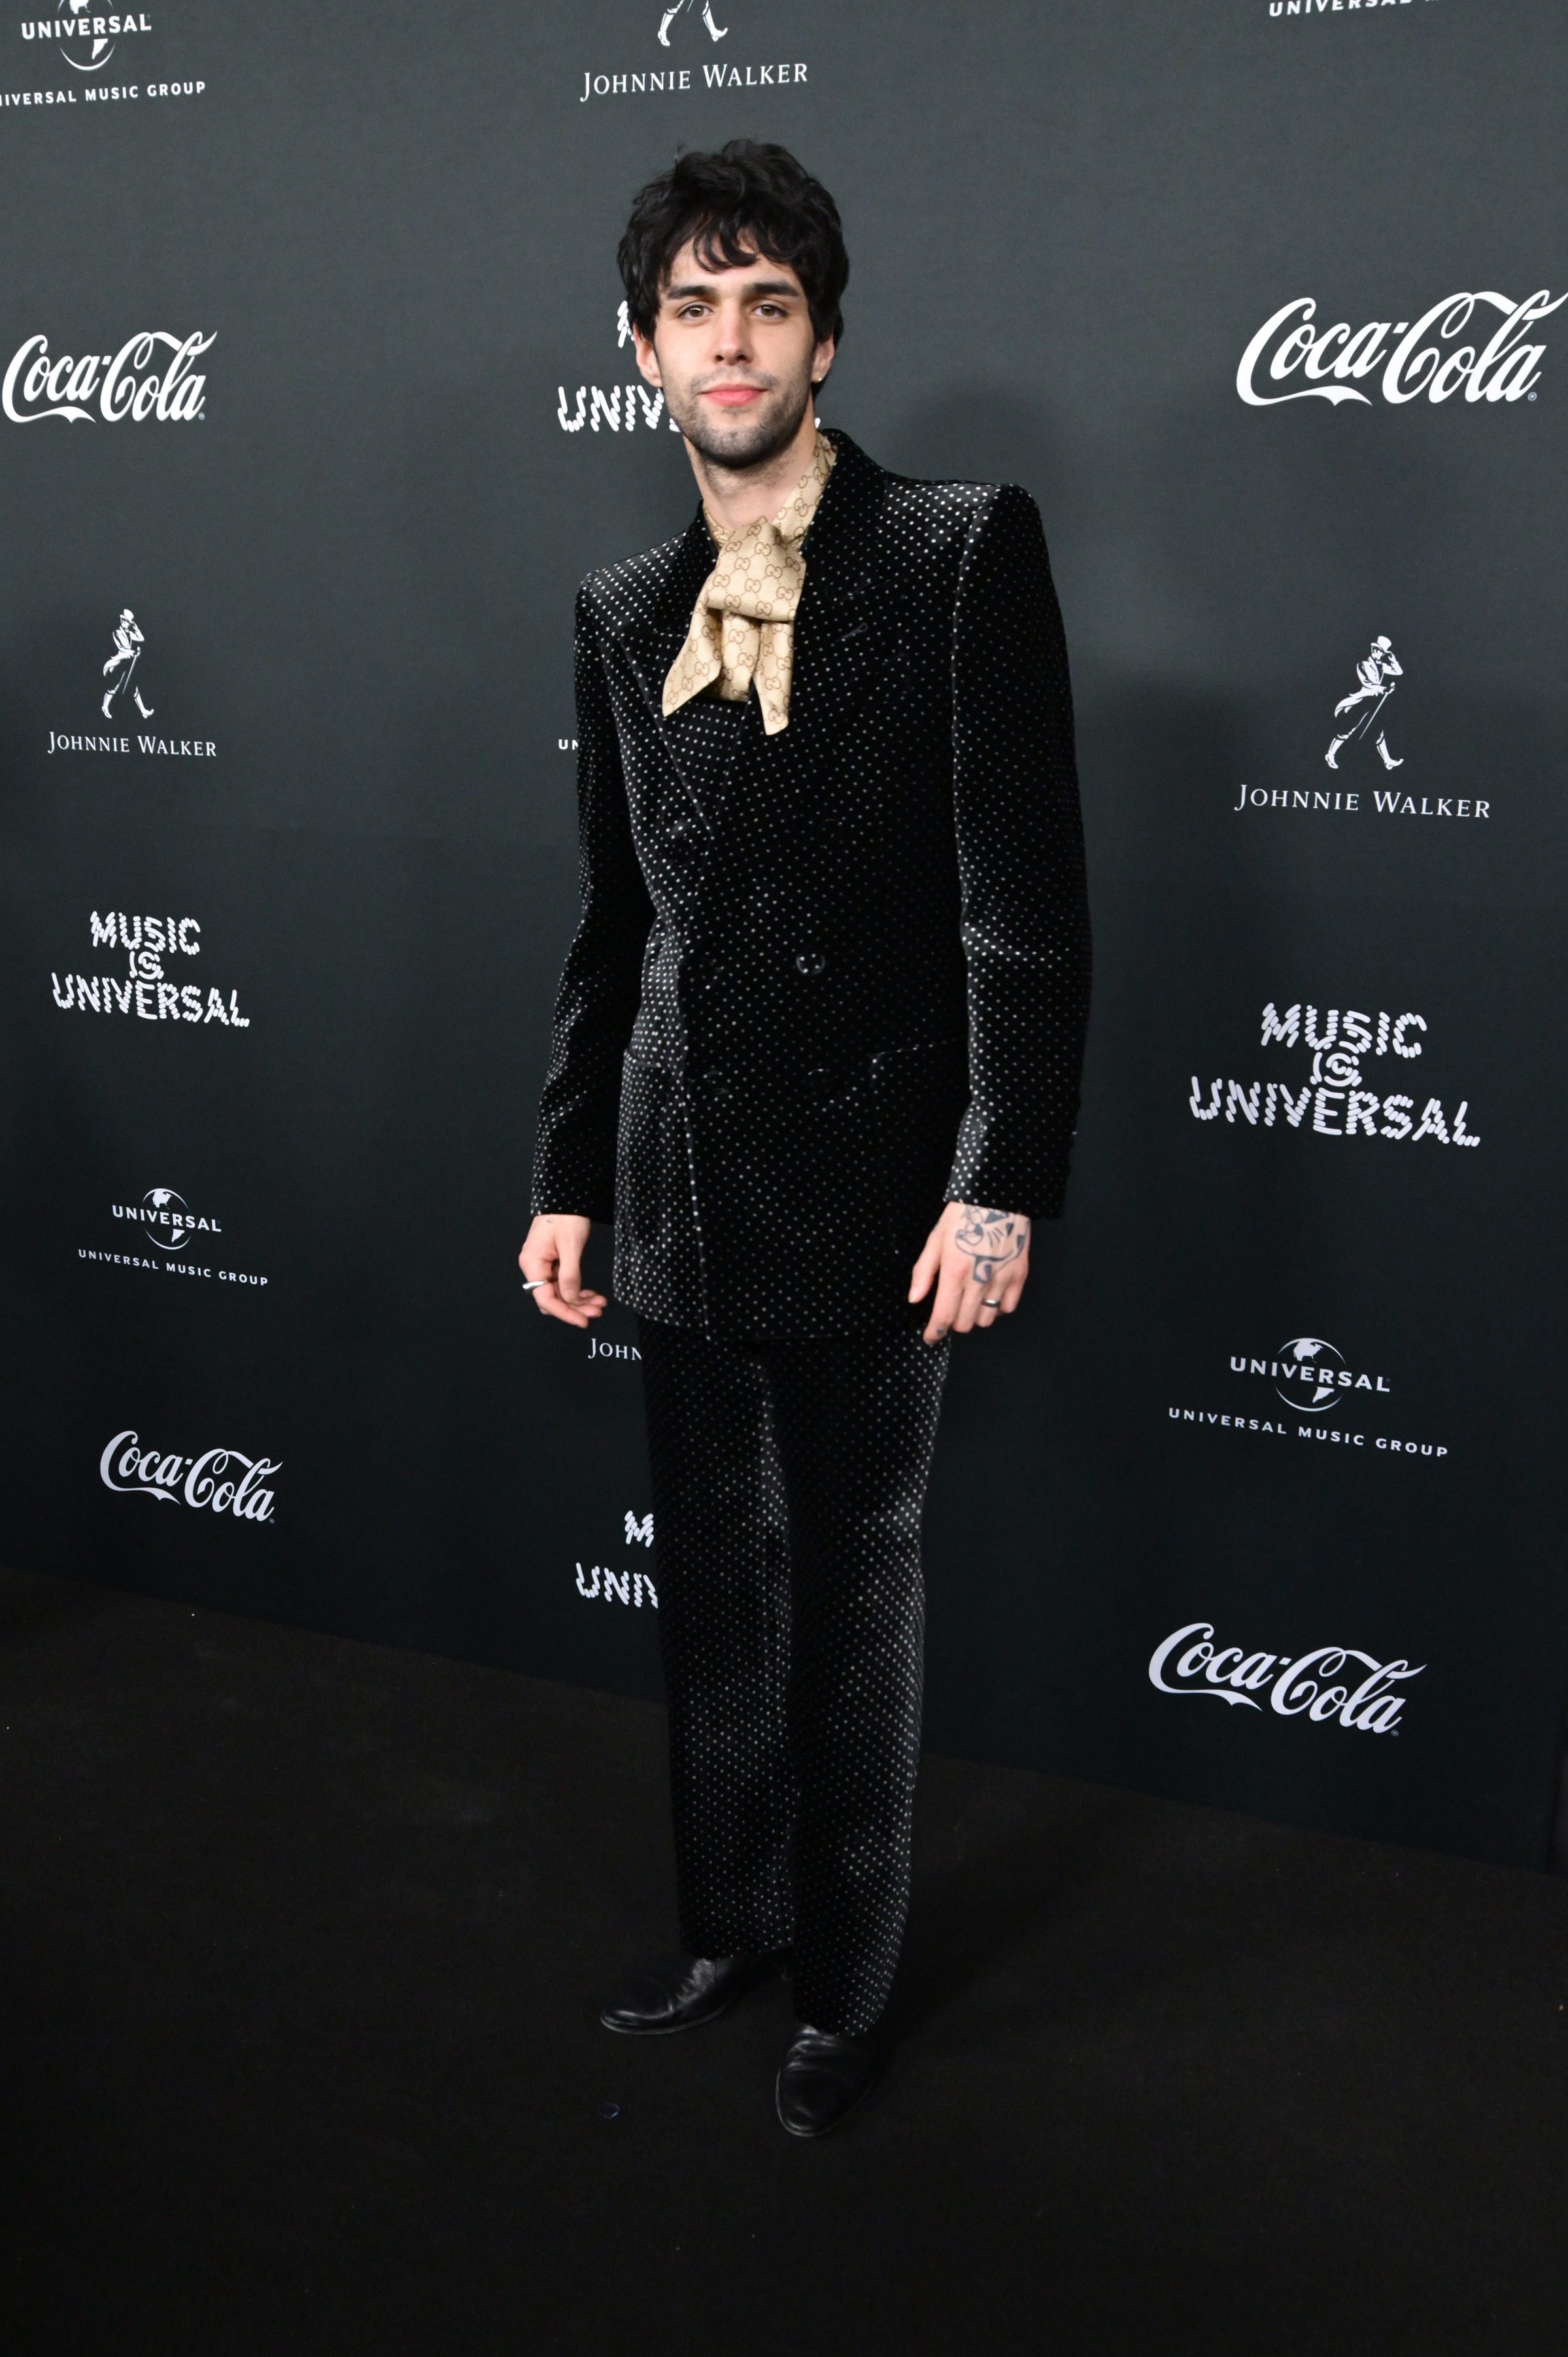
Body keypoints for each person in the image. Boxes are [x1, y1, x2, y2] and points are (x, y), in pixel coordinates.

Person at [520, 140, 1090, 2138]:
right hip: (677, 1169)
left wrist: (997, 1175)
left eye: (767, 304)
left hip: (875, 1168)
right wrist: (568, 1176)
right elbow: (611, 926)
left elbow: (1023, 906)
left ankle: (842, 1989)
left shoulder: (951, 548)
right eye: (693, 308)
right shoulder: (620, 606)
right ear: (641, 351)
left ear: (823, 339)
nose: (731, 341)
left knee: (852, 1594)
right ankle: (728, 1923)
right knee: (714, 1587)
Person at [1325, 634, 1402, 772]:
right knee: (1349, 729)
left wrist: (1393, 660)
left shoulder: (1382, 666)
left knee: (1379, 731)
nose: (1380, 654)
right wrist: (1384, 689)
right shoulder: (1363, 664)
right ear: (1374, 650)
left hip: (1374, 703)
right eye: (1378, 651)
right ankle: (1330, 755)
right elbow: (1368, 684)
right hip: (1362, 701)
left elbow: (1398, 672)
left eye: (1382, 652)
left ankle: (1387, 761)